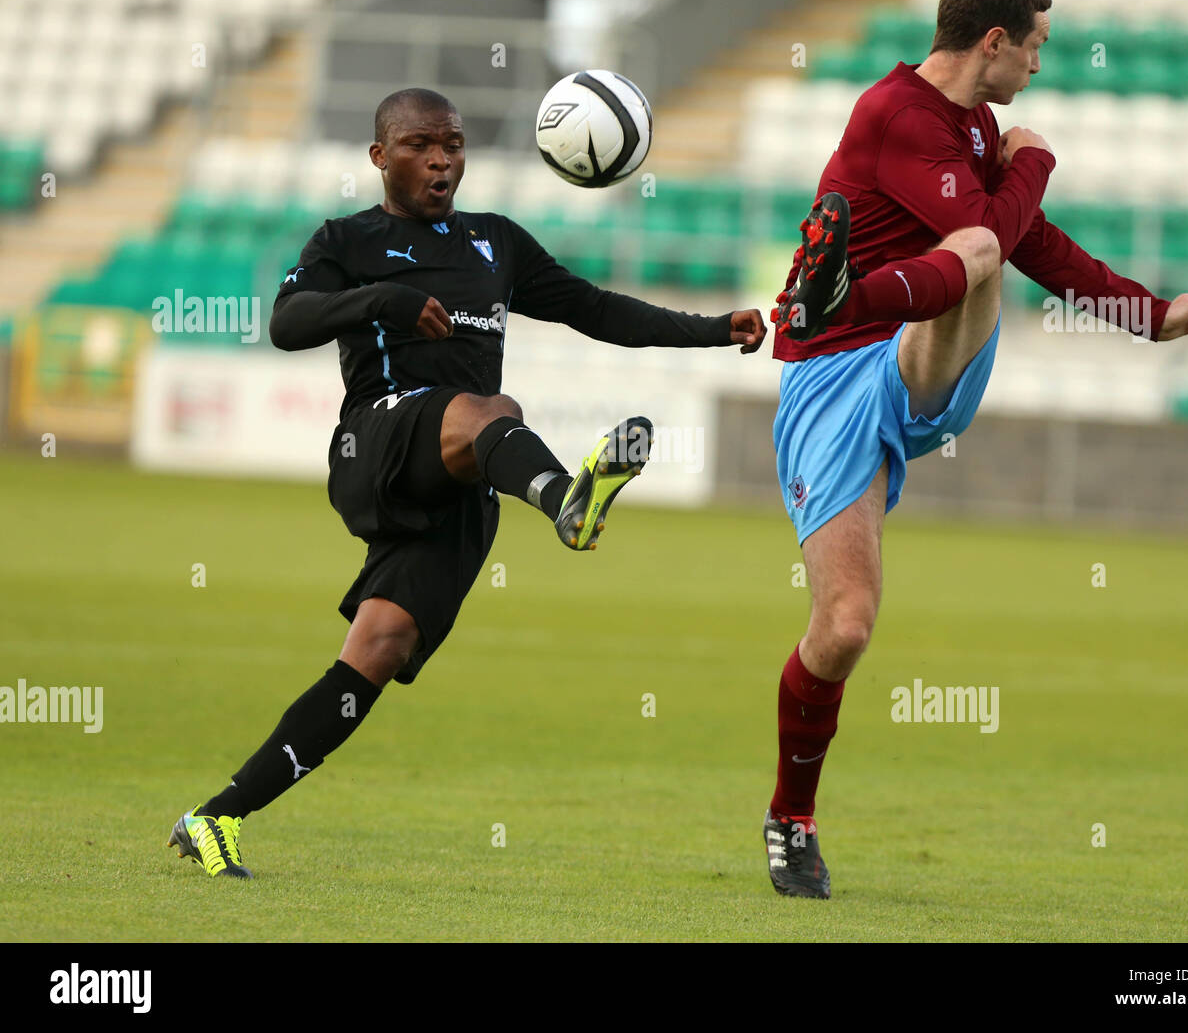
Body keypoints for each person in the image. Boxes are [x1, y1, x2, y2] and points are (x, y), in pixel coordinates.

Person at [167, 87, 766, 878]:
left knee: (374, 655)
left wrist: (713, 331)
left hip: (459, 486)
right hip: (375, 444)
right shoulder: (347, 239)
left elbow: (595, 309)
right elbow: (286, 324)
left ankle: (216, 818)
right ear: (380, 156)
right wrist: (386, 299)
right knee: (494, 407)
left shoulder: (496, 243)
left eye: (453, 143)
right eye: (420, 144)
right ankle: (564, 501)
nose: (442, 158)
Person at [763, 0, 1188, 898]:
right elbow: (994, 229)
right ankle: (791, 818)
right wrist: (1036, 161)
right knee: (845, 629)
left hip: (910, 360)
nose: (1040, 69)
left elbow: (1028, 244)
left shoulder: (974, 127)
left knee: (979, 248)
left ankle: (844, 290)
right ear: (994, 42)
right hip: (827, 382)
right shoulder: (898, 114)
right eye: (1038, 47)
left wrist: (1152, 314)